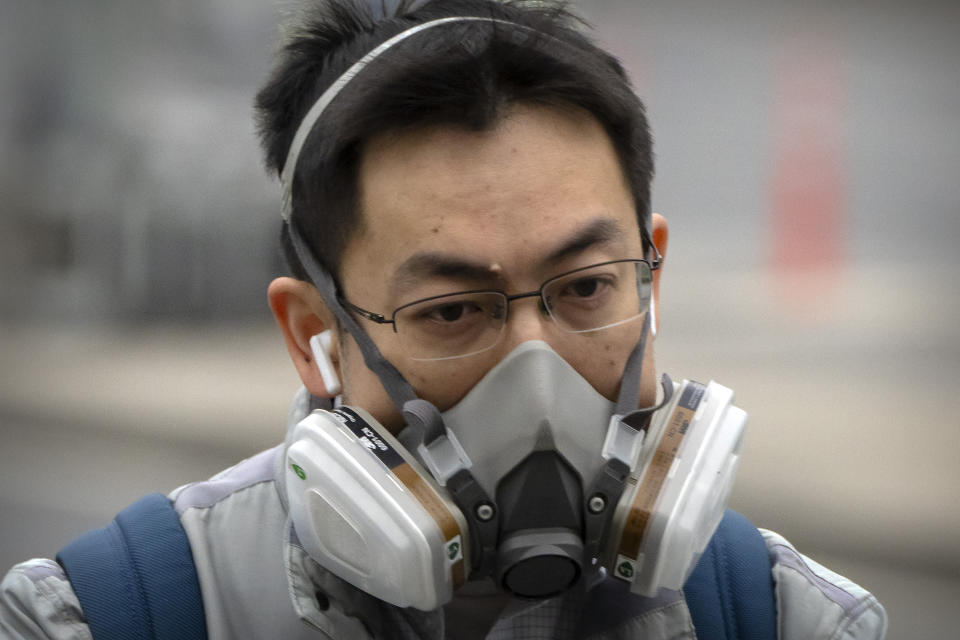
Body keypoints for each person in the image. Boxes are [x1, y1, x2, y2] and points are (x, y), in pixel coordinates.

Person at [1, 1, 887, 638]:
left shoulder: (786, 617)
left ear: (651, 275)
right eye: (454, 309)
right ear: (313, 335)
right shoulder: (107, 614)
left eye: (586, 289)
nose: (538, 372)